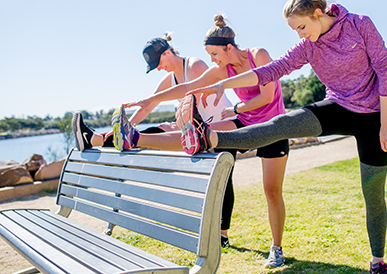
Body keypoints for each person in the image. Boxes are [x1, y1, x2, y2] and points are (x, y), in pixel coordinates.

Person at [178, 0, 387, 274]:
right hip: (338, 107)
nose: (300, 35)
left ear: (318, 14)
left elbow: (383, 71)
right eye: (295, 30)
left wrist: (386, 123)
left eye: (302, 27)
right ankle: (209, 138)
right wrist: (224, 83)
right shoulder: (308, 46)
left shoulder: (360, 25)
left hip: (374, 117)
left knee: (373, 193)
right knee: (281, 123)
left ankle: (378, 262)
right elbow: (271, 70)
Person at [111, 15, 290, 268]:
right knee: (198, 133)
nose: (213, 61)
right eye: (210, 55)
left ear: (229, 48)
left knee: (272, 192)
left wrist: (237, 108)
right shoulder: (222, 68)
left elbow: (268, 95)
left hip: (273, 126)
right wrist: (149, 100)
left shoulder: (258, 55)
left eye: (215, 54)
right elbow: (189, 87)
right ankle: (136, 137)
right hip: (244, 122)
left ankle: (277, 248)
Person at [72, 32, 233, 150]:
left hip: (222, 126)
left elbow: (193, 102)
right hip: (199, 129)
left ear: (168, 52)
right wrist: (127, 126)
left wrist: (176, 125)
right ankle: (96, 139)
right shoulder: (169, 79)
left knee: (166, 129)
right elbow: (149, 106)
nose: (158, 68)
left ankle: (95, 139)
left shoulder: (194, 66)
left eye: (158, 63)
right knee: (148, 132)